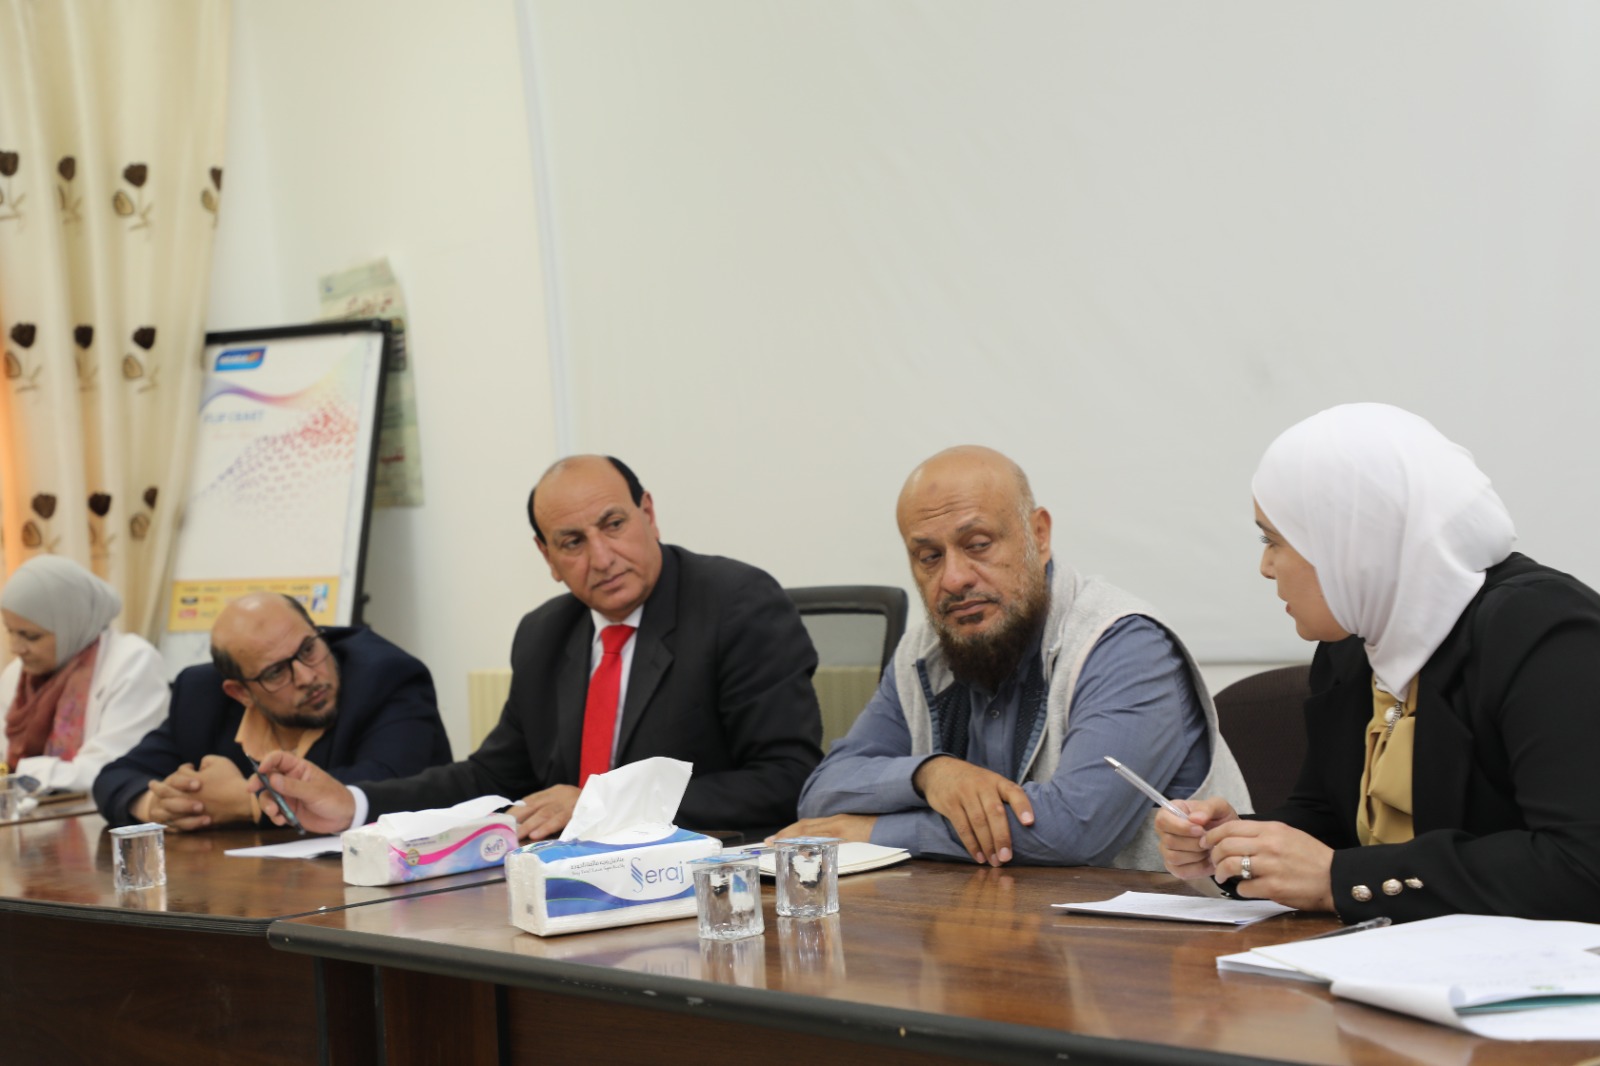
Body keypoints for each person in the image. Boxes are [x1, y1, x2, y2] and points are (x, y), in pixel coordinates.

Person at [1156, 403, 1600, 923]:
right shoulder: (1353, 642)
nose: (1265, 567)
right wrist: (1240, 844)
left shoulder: (1543, 632)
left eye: (1273, 539)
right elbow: (1333, 820)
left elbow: (1582, 864)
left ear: (1353, 538)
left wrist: (1339, 878)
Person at [250, 455, 824, 841]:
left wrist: (601, 804)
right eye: (572, 542)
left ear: (648, 515)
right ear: (547, 557)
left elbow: (784, 778)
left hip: (702, 878)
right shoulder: (545, 633)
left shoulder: (737, 605)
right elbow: (489, 778)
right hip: (567, 880)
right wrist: (353, 803)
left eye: (614, 525)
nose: (601, 557)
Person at [780, 446, 1249, 868]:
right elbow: (823, 793)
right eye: (929, 556)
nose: (955, 578)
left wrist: (874, 833)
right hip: (998, 923)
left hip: (1158, 932)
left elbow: (1072, 829)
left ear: (1038, 536)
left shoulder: (1125, 643)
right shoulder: (924, 651)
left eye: (978, 545)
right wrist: (931, 775)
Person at [94, 591, 451, 829]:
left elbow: (389, 783)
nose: (308, 677)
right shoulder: (202, 696)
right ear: (240, 692)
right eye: (276, 672)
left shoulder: (385, 676)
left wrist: (245, 803)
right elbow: (116, 776)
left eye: (309, 649)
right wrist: (158, 805)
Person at [1, 555, 168, 794]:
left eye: (31, 636)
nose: (16, 648)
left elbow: (111, 769)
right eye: (11, 632)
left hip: (103, 813)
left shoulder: (132, 662)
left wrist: (22, 774)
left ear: (71, 624)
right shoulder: (18, 674)